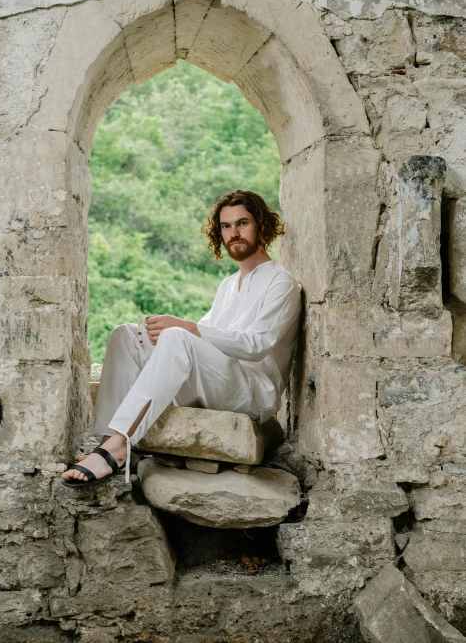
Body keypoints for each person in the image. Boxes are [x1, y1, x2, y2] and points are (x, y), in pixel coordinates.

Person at [61, 189, 302, 488]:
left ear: (262, 225)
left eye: (242, 223)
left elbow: (255, 346)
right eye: (226, 226)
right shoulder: (228, 285)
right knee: (127, 334)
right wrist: (161, 334)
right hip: (220, 381)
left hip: (252, 392)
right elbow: (200, 341)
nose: (233, 233)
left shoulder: (281, 281)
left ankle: (121, 444)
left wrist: (185, 328)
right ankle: (109, 440)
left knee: (177, 334)